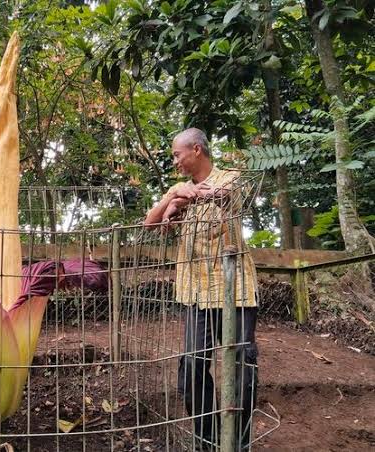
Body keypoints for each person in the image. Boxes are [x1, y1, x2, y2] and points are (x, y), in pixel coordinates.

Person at [144, 128, 258, 451]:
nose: (175, 161)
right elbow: (148, 223)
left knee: (242, 367)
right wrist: (173, 198)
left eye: (177, 155)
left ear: (196, 150)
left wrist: (195, 197)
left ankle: (237, 443)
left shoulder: (230, 178)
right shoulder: (177, 188)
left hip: (235, 289)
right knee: (192, 367)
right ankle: (208, 442)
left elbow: (230, 197)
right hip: (195, 293)